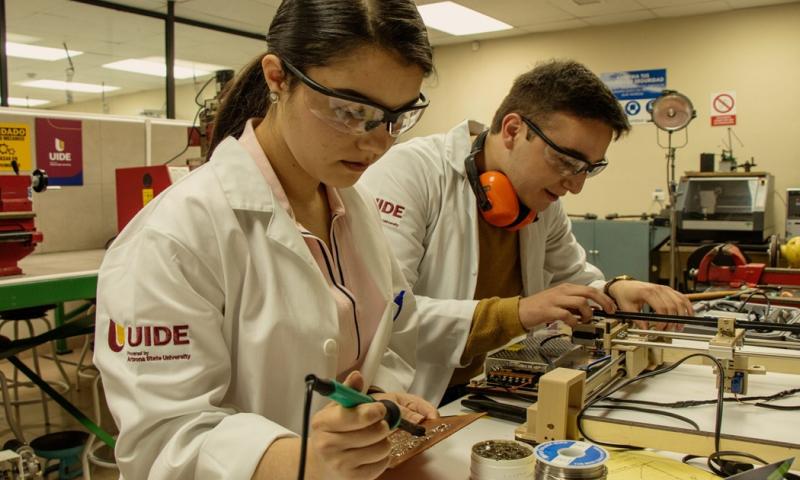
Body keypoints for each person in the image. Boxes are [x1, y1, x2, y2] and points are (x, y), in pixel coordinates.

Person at [94, 1, 437, 479]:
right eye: (351, 110)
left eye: (396, 117)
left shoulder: (351, 209)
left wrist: (372, 405)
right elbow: (162, 441)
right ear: (277, 77)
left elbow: (381, 343)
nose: (377, 143)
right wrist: (301, 462)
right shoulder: (174, 235)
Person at [359, 59, 693, 405]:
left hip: (492, 390)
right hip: (413, 399)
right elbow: (387, 314)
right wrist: (519, 313)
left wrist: (615, 288)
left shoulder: (542, 200)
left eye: (588, 169)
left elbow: (573, 279)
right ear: (513, 130)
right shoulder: (410, 173)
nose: (575, 186)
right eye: (566, 161)